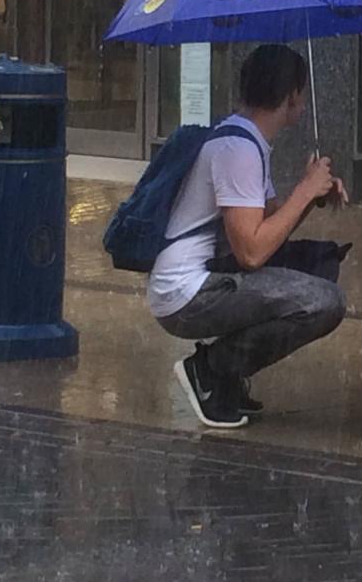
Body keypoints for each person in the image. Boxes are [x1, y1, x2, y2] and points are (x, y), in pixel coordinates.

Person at [149, 44, 348, 429]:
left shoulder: (247, 140)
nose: (304, 103)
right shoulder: (237, 149)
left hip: (203, 282)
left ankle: (225, 378)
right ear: (291, 96)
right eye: (302, 93)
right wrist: (304, 190)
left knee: (317, 270)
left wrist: (310, 197)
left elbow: (269, 225)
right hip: (189, 293)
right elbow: (252, 253)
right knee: (324, 300)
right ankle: (210, 370)